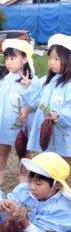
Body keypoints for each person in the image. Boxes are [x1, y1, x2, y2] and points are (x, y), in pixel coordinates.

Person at [0, 39, 40, 186]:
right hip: (5, 123)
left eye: (13, 58)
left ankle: (24, 181)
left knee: (25, 153)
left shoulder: (32, 80)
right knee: (3, 150)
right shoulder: (4, 79)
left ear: (25, 59)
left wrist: (28, 88)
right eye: (6, 58)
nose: (8, 62)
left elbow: (37, 102)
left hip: (23, 125)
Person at [0, 152, 71, 232]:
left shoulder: (62, 208)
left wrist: (23, 220)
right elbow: (3, 213)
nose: (32, 187)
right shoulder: (23, 191)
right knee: (8, 223)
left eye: (38, 183)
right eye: (30, 181)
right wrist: (3, 205)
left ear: (57, 185)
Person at [27, 34, 71, 170]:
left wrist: (59, 115)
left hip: (65, 135)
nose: (52, 62)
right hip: (47, 132)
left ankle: (66, 190)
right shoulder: (46, 81)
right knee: (49, 164)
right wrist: (28, 86)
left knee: (64, 166)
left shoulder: (69, 84)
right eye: (50, 58)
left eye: (56, 58)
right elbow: (34, 101)